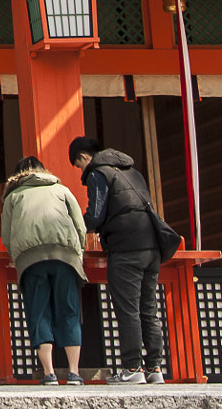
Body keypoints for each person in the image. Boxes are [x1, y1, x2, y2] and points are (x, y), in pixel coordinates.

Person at [73, 136, 166, 384]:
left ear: (84, 157)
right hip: (151, 247)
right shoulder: (133, 172)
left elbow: (96, 214)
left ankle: (132, 368)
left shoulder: (98, 173)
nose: (82, 171)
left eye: (79, 165)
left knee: (128, 310)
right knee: (149, 309)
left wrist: (75, 226)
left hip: (126, 249)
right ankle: (155, 369)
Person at [0, 155, 88, 387]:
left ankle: (48, 373)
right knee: (69, 311)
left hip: (31, 260)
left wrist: (18, 257)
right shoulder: (62, 189)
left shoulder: (13, 196)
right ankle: (73, 372)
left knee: (39, 313)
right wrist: (78, 253)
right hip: (65, 256)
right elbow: (79, 225)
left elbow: (7, 236)